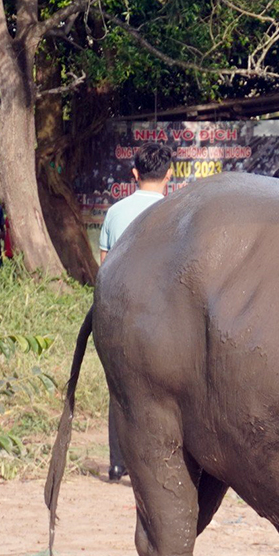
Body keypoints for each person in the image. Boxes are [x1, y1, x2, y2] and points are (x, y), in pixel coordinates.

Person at [97, 142, 172, 481]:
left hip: (121, 313)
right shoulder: (177, 211)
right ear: (169, 174)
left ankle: (117, 463)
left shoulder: (115, 212)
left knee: (121, 389)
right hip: (164, 315)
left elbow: (105, 268)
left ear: (135, 174)